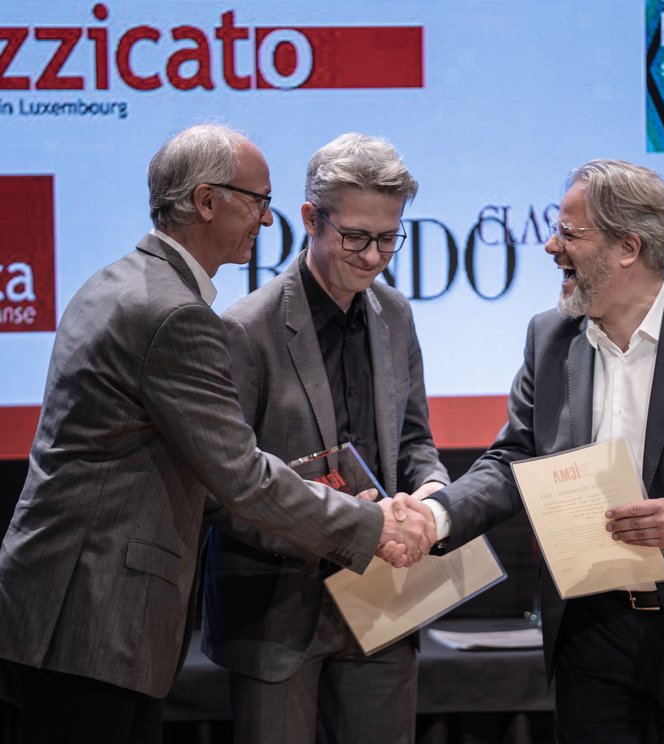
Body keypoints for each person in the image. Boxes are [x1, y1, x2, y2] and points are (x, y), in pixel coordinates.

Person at [0, 124, 433, 744]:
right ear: (206, 201)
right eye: (257, 200)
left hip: (65, 602)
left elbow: (413, 438)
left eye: (387, 239)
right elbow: (241, 478)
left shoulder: (119, 281)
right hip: (97, 610)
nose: (264, 218)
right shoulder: (178, 314)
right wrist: (374, 527)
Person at [402, 160, 664, 743]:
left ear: (628, 247)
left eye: (568, 232)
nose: (549, 245)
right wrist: (435, 515)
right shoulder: (550, 337)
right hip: (590, 633)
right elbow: (514, 460)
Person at [201, 132, 449, 744]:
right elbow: (220, 489)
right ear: (311, 218)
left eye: (388, 238)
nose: (372, 257)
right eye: (355, 237)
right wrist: (339, 522)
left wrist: (434, 492)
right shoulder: (244, 329)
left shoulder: (396, 315)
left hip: (384, 598)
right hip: (278, 610)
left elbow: (414, 439)